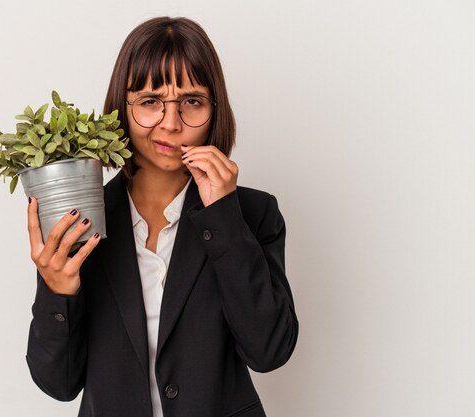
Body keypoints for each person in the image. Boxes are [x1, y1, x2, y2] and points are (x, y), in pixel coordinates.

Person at [25, 16, 298, 417]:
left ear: (214, 109)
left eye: (191, 102)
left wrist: (223, 218)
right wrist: (57, 291)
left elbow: (270, 350)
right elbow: (60, 384)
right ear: (123, 106)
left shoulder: (254, 215)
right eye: (151, 102)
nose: (171, 124)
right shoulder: (80, 219)